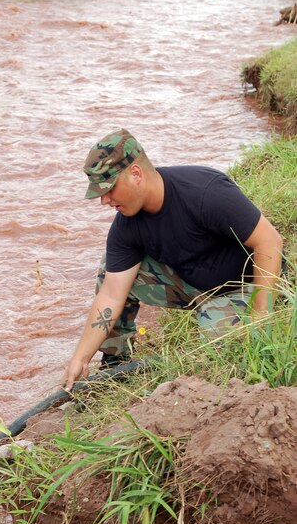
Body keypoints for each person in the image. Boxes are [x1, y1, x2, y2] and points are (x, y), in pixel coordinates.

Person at [62, 129, 283, 391]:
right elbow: (111, 295)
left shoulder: (205, 192)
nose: (104, 200)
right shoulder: (126, 226)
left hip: (244, 285)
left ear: (135, 174)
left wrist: (261, 317)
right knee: (108, 269)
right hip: (193, 285)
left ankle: (227, 321)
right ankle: (115, 365)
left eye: (109, 189)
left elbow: (270, 241)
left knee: (215, 350)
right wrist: (80, 358)